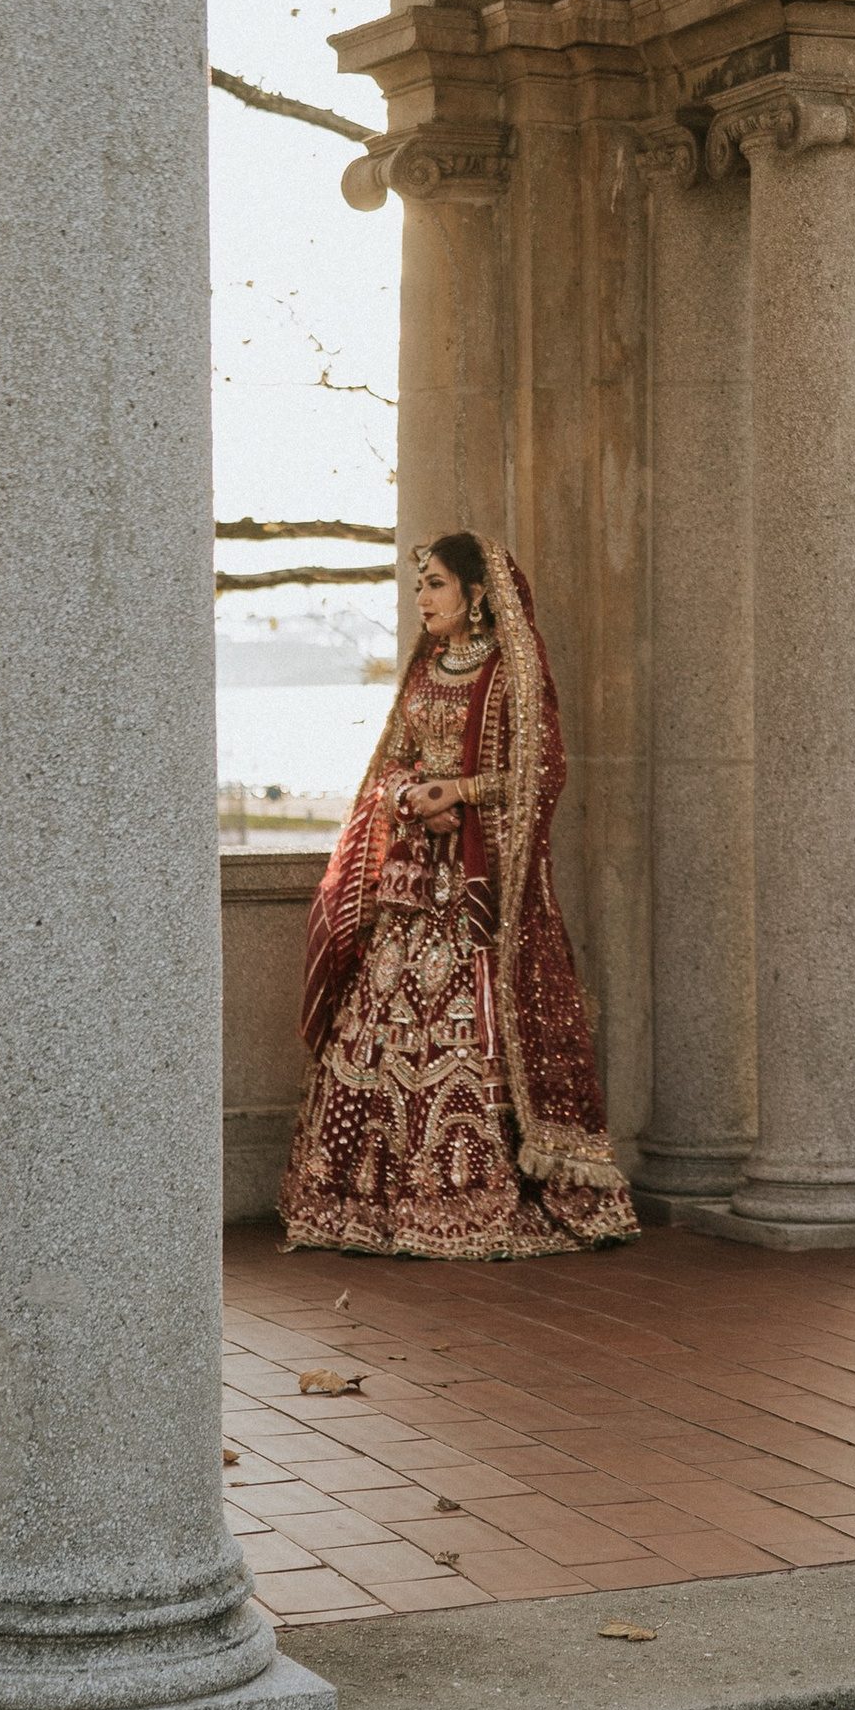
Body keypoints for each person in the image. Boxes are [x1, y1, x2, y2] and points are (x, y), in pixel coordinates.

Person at [280, 532, 639, 1259]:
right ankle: (372, 1204)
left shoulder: (511, 678)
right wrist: (413, 798)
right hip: (411, 893)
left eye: (437, 584)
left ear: (477, 596)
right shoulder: (422, 673)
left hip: (474, 901)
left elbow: (540, 774)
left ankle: (473, 1196)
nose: (423, 599)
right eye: (420, 587)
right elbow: (391, 770)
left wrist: (463, 793)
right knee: (376, 1034)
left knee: (470, 1037)